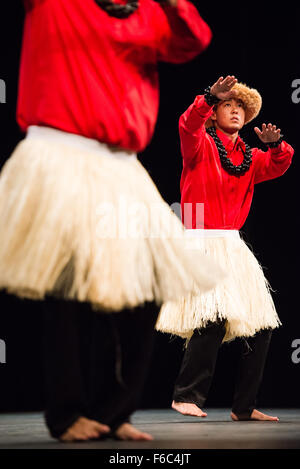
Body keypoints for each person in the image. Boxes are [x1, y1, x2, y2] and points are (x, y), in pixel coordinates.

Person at [0, 0, 223, 441]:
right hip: (60, 153)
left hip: (121, 167)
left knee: (140, 291)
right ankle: (66, 414)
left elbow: (193, 40)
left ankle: (112, 412)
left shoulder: (149, 13)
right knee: (65, 287)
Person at [156, 75, 294, 421]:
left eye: (240, 108)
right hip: (202, 241)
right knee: (212, 319)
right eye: (228, 106)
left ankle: (243, 407)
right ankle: (186, 396)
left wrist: (276, 146)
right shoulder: (199, 145)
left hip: (232, 245)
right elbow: (187, 124)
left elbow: (278, 164)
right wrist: (206, 98)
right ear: (215, 113)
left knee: (261, 326)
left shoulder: (249, 157)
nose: (235, 111)